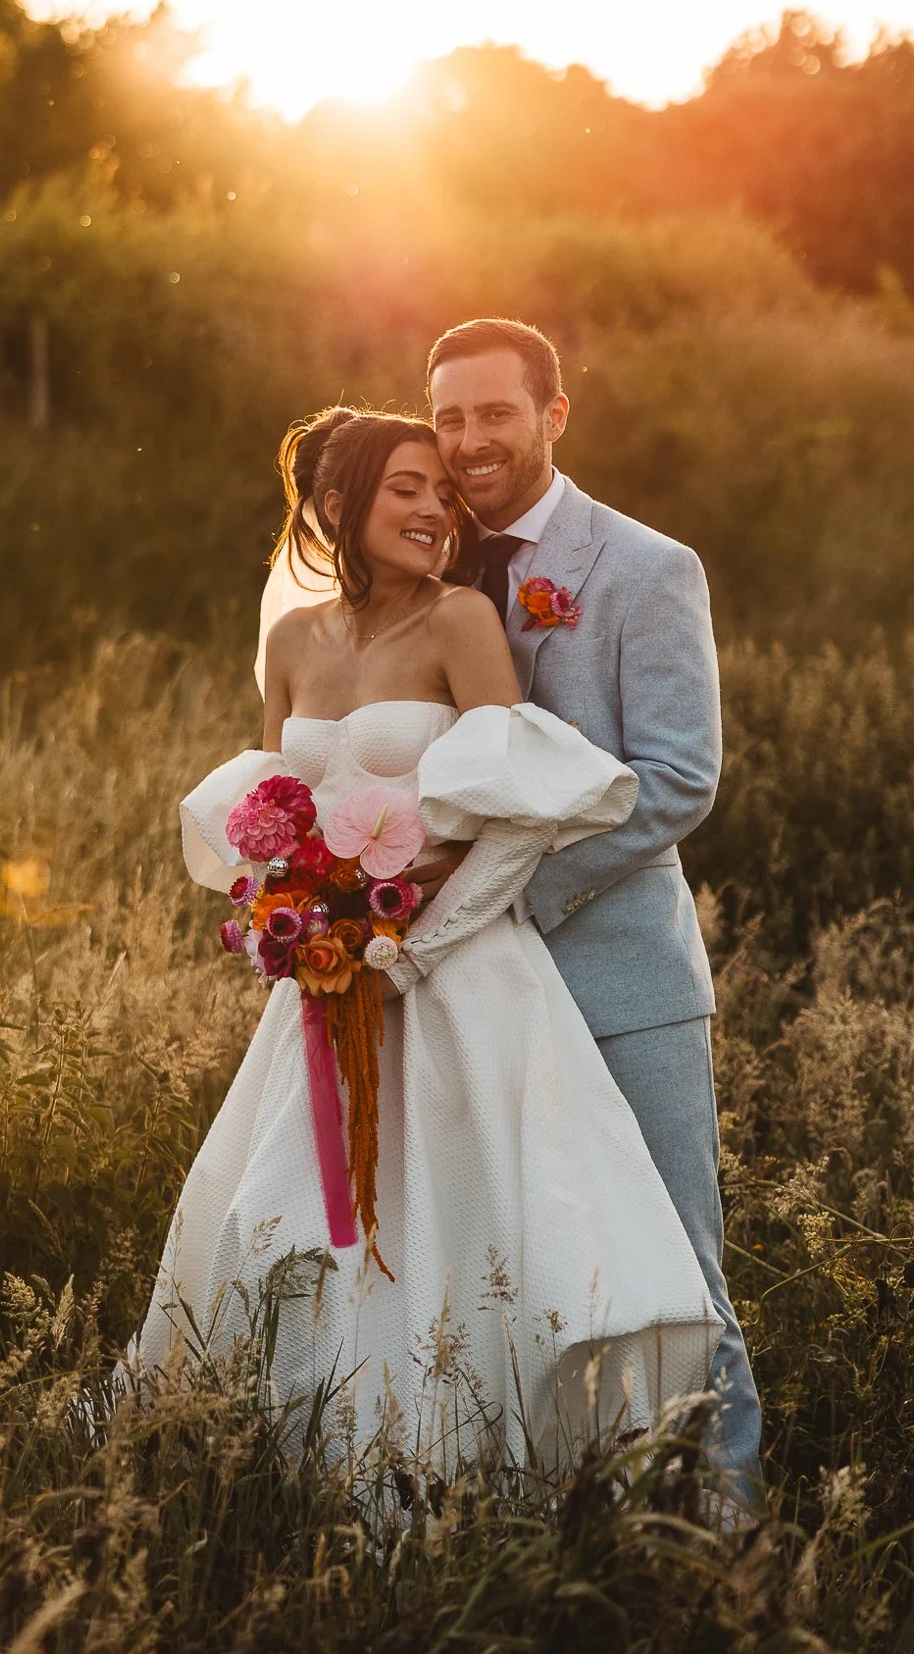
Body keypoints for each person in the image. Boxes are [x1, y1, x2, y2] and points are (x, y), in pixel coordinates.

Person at [131, 406, 722, 1487]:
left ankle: (483, 1474)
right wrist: (293, 915)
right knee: (294, 1218)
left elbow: (517, 813)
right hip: (327, 979)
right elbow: (275, 801)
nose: (432, 510)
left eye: (440, 494)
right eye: (406, 487)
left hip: (454, 977)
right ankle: (316, 1466)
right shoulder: (290, 639)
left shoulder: (461, 621)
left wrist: (414, 945)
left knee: (466, 1223)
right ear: (333, 504)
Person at [425, 315, 762, 1511]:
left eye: (493, 413)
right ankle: (566, 1522)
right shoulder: (425, 562)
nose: (467, 441)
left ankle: (724, 1540)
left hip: (619, 981)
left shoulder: (642, 565)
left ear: (552, 416)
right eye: (447, 417)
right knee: (505, 1270)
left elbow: (678, 776)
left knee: (676, 1263)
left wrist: (504, 892)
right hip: (463, 995)